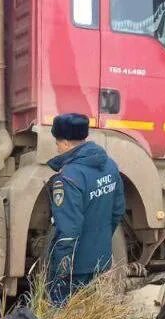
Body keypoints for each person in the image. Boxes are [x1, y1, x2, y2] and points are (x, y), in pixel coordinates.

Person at [46, 113, 126, 305]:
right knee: (88, 317)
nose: (57, 147)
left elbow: (68, 231)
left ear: (65, 143)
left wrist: (60, 270)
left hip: (75, 266)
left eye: (57, 142)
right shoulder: (110, 166)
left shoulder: (68, 177)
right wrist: (100, 243)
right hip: (101, 260)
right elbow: (117, 211)